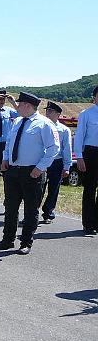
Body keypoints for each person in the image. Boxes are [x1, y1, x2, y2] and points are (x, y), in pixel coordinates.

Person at [0, 92, 59, 255]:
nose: (17, 106)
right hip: (13, 171)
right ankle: (8, 239)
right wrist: (5, 158)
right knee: (10, 207)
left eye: (20, 104)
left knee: (31, 209)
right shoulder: (17, 121)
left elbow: (54, 148)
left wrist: (40, 167)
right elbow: (9, 143)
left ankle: (26, 242)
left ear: (28, 106)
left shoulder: (44, 124)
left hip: (32, 172)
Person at [40, 101, 72, 224]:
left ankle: (48, 213)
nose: (47, 113)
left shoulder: (64, 130)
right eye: (47, 111)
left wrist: (67, 166)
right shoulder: (41, 126)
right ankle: (32, 213)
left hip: (56, 162)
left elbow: (67, 149)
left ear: (58, 114)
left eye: (50, 111)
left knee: (53, 189)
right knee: (38, 188)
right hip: (42, 161)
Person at [74, 85, 98, 235]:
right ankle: (88, 223)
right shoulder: (86, 114)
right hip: (91, 153)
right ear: (94, 97)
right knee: (90, 188)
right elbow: (79, 136)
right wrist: (79, 157)